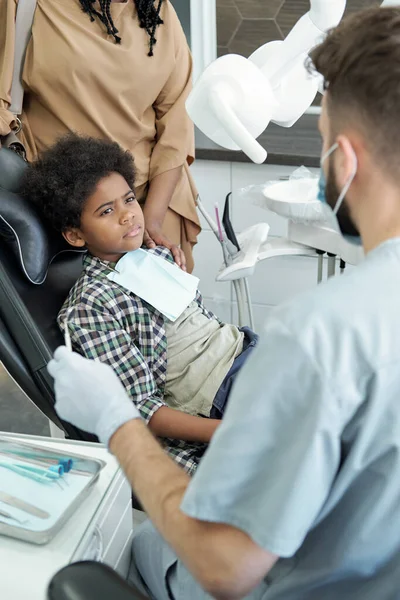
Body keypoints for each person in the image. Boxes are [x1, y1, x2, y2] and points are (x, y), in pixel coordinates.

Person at [47, 7, 400, 600]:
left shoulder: (318, 337)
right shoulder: (97, 300)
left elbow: (225, 567)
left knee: (143, 549)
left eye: (317, 143)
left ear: (346, 159)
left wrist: (116, 421)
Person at [24, 133, 258, 475]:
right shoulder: (90, 308)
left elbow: (201, 328)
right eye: (106, 211)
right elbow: (143, 409)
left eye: (129, 200)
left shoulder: (153, 258)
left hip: (246, 353)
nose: (127, 216)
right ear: (75, 235)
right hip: (220, 395)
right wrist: (231, 432)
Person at [0, 0, 200, 272]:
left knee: (170, 311)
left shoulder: (158, 10)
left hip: (152, 205)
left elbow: (177, 125)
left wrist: (151, 220)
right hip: (67, 220)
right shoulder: (27, 5)